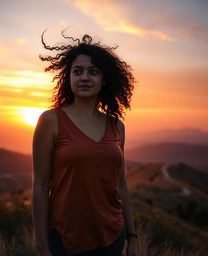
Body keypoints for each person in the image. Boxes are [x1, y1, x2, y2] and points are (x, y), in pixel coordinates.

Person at [32, 31, 138, 256]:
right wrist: (41, 245)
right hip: (65, 241)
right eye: (77, 71)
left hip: (113, 238)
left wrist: (132, 237)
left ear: (104, 79)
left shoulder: (116, 126)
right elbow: (40, 185)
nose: (84, 78)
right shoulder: (51, 121)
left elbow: (121, 185)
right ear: (68, 78)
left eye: (93, 72)